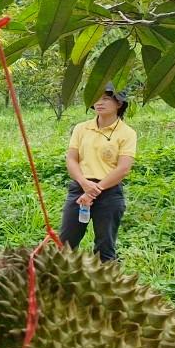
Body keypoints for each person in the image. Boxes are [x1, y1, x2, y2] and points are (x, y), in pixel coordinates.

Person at [59, 85, 136, 262]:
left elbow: (123, 168)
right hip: (80, 190)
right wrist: (84, 183)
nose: (99, 103)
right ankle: (62, 284)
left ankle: (106, 286)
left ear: (119, 103)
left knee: (105, 248)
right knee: (65, 244)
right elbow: (71, 159)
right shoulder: (81, 128)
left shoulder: (127, 133)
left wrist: (95, 190)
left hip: (109, 193)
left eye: (106, 98)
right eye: (96, 98)